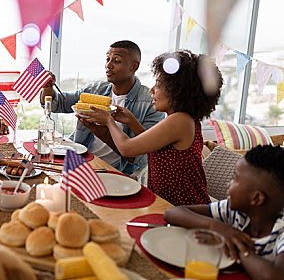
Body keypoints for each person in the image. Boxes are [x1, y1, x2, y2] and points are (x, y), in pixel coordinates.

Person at [81, 50, 223, 206]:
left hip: (184, 207)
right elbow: (153, 146)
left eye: (159, 85)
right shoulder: (183, 120)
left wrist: (108, 120)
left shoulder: (179, 121)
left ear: (178, 91)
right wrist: (132, 121)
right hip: (170, 204)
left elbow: (127, 149)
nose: (151, 90)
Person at [40, 40, 164, 182]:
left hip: (118, 173)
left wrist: (104, 132)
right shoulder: (96, 89)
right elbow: (58, 104)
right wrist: (47, 87)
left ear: (134, 66)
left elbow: (141, 158)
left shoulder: (151, 103)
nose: (108, 65)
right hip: (82, 162)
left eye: (116, 61)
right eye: (107, 59)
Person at [164, 145, 284, 280]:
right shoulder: (236, 212)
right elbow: (172, 213)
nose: (229, 184)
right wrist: (216, 227)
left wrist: (237, 245)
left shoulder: (281, 233)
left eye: (235, 179)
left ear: (256, 198)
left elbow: (274, 276)